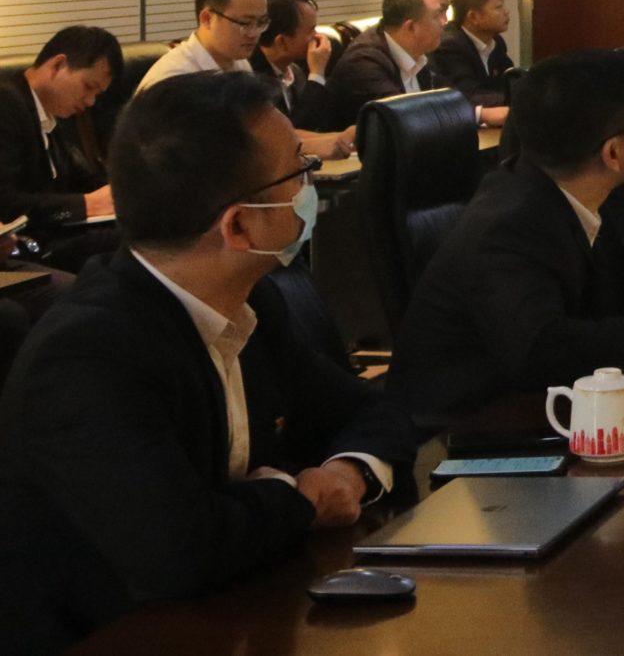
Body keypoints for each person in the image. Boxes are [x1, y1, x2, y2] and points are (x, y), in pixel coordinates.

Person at [0, 71, 414, 653]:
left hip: (234, 609)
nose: (310, 184)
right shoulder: (87, 357)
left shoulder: (253, 302)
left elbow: (375, 412)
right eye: (299, 171)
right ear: (238, 224)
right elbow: (178, 552)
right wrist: (300, 498)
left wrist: (348, 473)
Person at [389, 49, 624, 430]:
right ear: (613, 153)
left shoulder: (569, 192)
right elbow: (540, 349)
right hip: (458, 435)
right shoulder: (511, 225)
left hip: (537, 412)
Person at [0, 26, 120, 230]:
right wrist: (86, 204)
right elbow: (6, 203)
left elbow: (77, 178)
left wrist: (120, 193)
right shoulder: (6, 104)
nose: (90, 101)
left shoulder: (49, 111)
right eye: (88, 87)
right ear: (58, 65)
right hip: (27, 239)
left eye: (97, 94)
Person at [246, 0, 354, 160]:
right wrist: (317, 73)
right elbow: (289, 132)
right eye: (311, 30)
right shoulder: (251, 78)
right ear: (282, 41)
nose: (318, 37)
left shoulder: (294, 70)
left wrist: (342, 138)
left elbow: (313, 127)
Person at [330, 0, 466, 114]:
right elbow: (404, 119)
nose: (444, 21)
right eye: (437, 15)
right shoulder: (363, 63)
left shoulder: (422, 48)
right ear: (411, 27)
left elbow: (454, 101)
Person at [134, 0, 266, 91]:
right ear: (207, 19)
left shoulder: (240, 63)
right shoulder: (174, 79)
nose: (254, 33)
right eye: (244, 23)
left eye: (261, 22)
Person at [429, 0, 514, 115]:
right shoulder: (450, 46)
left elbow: (509, 82)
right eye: (498, 7)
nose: (506, 11)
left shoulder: (496, 42)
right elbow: (468, 95)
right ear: (473, 17)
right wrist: (518, 100)